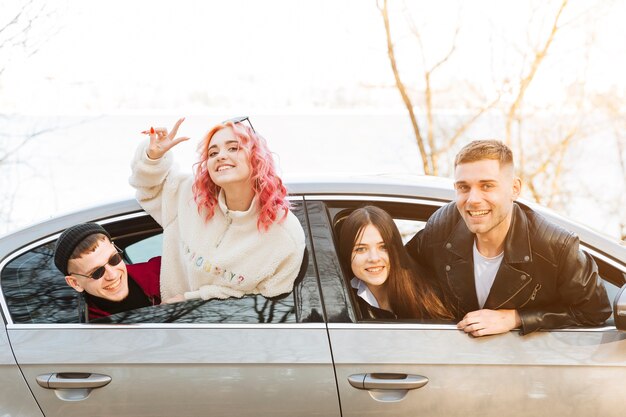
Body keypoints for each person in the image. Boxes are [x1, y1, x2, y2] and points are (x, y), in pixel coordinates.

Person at [406, 139, 611, 336]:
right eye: (463, 187)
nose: (473, 200)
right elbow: (400, 273)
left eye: (487, 186)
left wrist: (517, 318)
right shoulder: (442, 228)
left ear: (514, 189)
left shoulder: (555, 245)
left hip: (526, 365)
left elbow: (594, 312)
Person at [129, 117, 306, 303]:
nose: (221, 156)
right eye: (213, 153)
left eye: (233, 148)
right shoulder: (191, 196)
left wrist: (191, 300)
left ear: (257, 157)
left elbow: (273, 301)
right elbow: (148, 191)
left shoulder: (285, 235)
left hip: (231, 328)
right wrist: (153, 157)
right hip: (171, 325)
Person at [339, 206, 453, 320]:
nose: (374, 258)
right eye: (361, 249)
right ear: (347, 253)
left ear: (396, 249)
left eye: (383, 247)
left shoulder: (427, 293)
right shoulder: (338, 302)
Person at [54, 222, 161, 321]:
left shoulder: (161, 271)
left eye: (114, 259)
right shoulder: (87, 329)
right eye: (97, 272)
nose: (112, 275)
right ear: (75, 283)